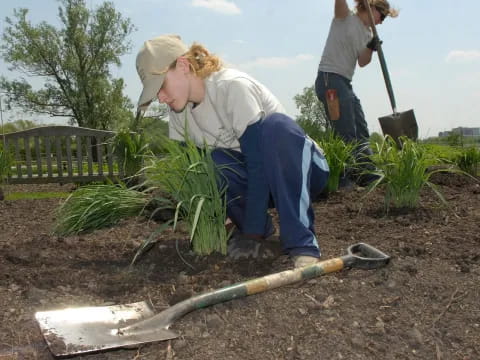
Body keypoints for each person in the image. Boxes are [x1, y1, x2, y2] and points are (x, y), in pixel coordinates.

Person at [136, 34, 329, 268]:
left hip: (303, 171)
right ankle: (264, 233)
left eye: (161, 85)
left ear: (184, 66)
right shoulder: (179, 116)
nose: (161, 97)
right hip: (260, 184)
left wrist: (251, 234)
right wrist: (221, 222)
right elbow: (198, 179)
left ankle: (302, 245)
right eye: (155, 92)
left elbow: (258, 165)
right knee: (212, 162)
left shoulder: (231, 87)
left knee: (277, 127)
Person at [315, 0, 398, 186]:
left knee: (360, 128)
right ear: (373, 8)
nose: (382, 22)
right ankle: (343, 177)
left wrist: (371, 47)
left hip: (344, 82)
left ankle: (366, 173)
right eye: (382, 16)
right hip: (330, 79)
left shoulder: (367, 33)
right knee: (345, 131)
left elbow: (362, 61)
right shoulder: (344, 17)